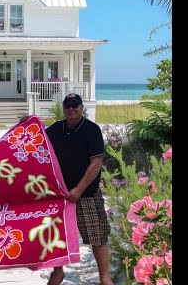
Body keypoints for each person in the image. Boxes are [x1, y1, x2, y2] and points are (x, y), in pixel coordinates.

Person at [20, 93, 114, 285]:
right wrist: (27, 123)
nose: (71, 108)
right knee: (56, 236)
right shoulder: (56, 129)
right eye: (67, 105)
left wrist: (78, 189)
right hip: (59, 194)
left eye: (75, 105)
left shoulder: (91, 129)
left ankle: (105, 277)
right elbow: (35, 141)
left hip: (86, 193)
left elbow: (96, 163)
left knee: (97, 235)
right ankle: (58, 272)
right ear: (63, 108)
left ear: (81, 107)